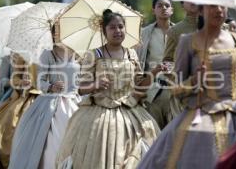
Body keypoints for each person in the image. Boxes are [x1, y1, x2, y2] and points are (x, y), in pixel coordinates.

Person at [138, 5, 236, 169]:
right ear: (201, 10)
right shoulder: (187, 41)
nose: (218, 10)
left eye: (222, 5)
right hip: (201, 115)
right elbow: (176, 89)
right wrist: (195, 80)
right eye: (212, 6)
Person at [56, 9, 160, 169]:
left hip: (131, 111)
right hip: (99, 114)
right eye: (112, 27)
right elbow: (80, 89)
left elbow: (140, 86)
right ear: (104, 31)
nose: (117, 31)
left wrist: (155, 71)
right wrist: (95, 85)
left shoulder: (131, 54)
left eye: (120, 26)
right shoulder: (94, 54)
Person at [8, 23, 81, 169]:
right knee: (53, 144)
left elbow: (82, 79)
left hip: (76, 102)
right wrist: (51, 87)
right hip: (53, 104)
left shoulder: (79, 53)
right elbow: (40, 81)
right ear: (53, 35)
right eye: (58, 31)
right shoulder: (47, 54)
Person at [0, 53, 41, 169]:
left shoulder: (55, 55)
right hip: (23, 96)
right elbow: (12, 79)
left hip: (48, 98)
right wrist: (22, 82)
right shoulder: (20, 55)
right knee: (8, 120)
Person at [136, 0, 174, 129]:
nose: (164, 8)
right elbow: (138, 62)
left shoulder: (180, 33)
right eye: (159, 5)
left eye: (167, 5)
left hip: (175, 92)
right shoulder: (144, 34)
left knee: (175, 138)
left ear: (172, 10)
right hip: (152, 93)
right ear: (153, 10)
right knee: (153, 138)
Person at [162, 1, 200, 122]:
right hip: (184, 97)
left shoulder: (220, 28)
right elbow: (167, 61)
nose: (193, 0)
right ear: (182, 5)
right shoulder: (176, 30)